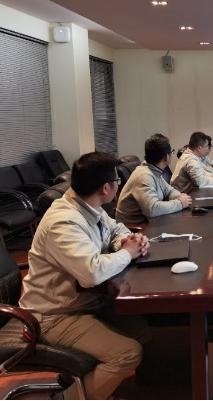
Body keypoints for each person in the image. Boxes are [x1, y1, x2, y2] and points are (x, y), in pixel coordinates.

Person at [19, 152, 151, 400]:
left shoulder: (88, 205)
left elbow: (115, 228)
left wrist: (126, 240)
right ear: (106, 187)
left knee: (142, 329)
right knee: (127, 353)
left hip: (83, 302)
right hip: (53, 315)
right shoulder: (64, 222)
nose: (119, 185)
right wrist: (128, 253)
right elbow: (92, 273)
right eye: (117, 181)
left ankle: (83, 382)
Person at [116, 134, 192, 225]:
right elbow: (152, 209)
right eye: (171, 152)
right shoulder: (144, 176)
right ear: (166, 157)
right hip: (137, 229)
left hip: (151, 222)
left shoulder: (154, 171)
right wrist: (180, 203)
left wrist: (179, 196)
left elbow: (169, 190)